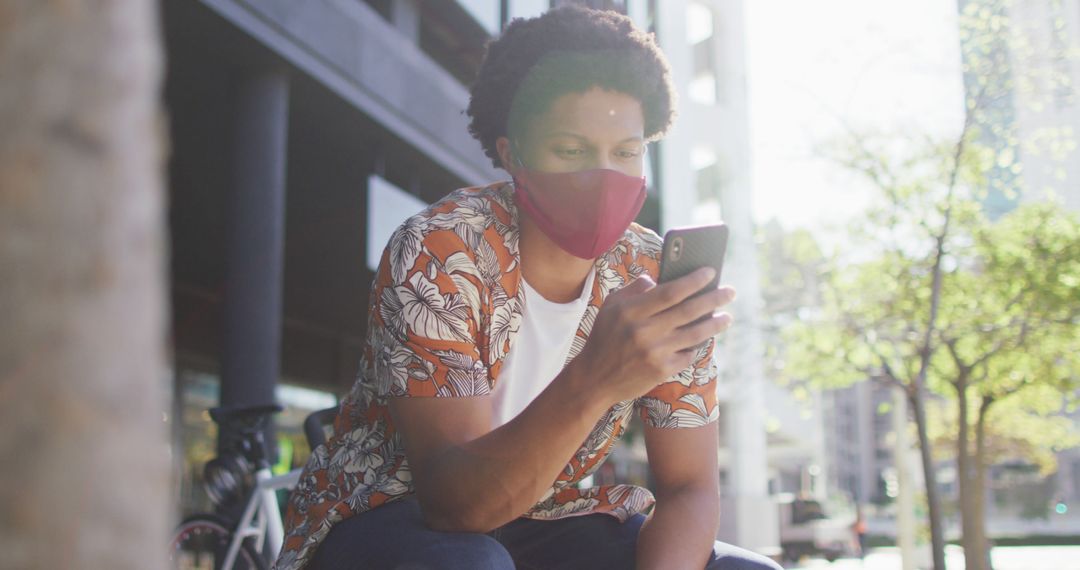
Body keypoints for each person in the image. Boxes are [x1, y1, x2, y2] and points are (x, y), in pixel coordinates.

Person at [273, 6, 781, 570]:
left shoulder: (652, 273)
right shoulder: (443, 251)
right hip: (386, 516)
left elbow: (689, 487)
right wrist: (596, 376)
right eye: (571, 150)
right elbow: (455, 507)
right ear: (513, 153)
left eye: (627, 152)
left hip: (544, 517)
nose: (605, 176)